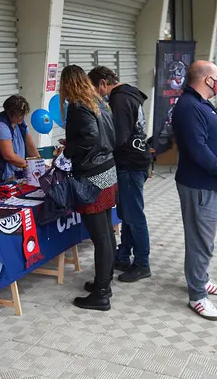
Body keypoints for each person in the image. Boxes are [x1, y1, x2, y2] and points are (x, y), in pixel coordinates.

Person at [171, 61, 217, 320]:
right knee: (201, 242)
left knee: (202, 240)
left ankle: (201, 280)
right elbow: (197, 149)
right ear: (208, 79)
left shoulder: (199, 103)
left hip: (209, 185)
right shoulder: (188, 107)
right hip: (201, 187)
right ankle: (198, 295)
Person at [61, 65, 118, 311]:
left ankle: (101, 294)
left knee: (101, 235)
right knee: (106, 230)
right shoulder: (98, 101)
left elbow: (90, 137)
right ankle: (104, 283)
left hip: (92, 176)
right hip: (107, 170)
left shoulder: (78, 105)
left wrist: (68, 150)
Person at [88, 66, 153, 283]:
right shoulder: (128, 94)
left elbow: (118, 137)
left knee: (134, 216)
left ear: (103, 83)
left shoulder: (119, 99)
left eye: (95, 89)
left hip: (130, 164)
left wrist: (96, 147)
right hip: (135, 161)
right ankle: (124, 255)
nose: (97, 94)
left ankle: (142, 263)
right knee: (127, 213)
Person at [0, 95, 40, 183]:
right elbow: (9, 156)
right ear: (10, 113)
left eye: (23, 114)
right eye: (19, 115)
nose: (22, 117)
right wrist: (30, 166)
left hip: (18, 174)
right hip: (2, 175)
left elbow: (30, 147)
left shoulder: (21, 123)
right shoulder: (0, 125)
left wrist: (39, 163)